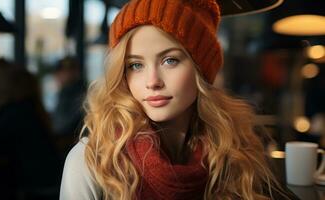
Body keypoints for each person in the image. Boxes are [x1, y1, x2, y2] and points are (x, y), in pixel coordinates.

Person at [60, 0, 297, 199]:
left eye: (169, 60)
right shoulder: (92, 161)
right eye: (135, 65)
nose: (152, 81)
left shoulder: (234, 155)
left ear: (201, 69)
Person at [0, 67, 62, 199]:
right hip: (50, 179)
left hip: (38, 186)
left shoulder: (16, 112)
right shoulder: (29, 107)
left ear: (4, 86)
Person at [52, 56, 85, 135]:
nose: (67, 74)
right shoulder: (66, 93)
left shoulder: (71, 94)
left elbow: (61, 126)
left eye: (70, 70)